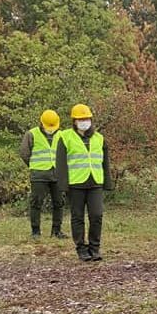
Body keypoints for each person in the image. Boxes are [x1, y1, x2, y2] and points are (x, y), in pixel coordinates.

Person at [56, 103, 112, 262]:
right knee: (77, 217)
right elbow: (61, 163)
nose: (84, 121)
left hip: (95, 181)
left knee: (96, 215)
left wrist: (107, 182)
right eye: (80, 119)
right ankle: (81, 248)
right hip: (76, 183)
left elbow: (105, 162)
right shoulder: (64, 137)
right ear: (74, 121)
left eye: (86, 118)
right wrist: (63, 185)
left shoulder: (99, 138)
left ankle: (95, 248)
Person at [19, 109, 67, 239]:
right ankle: (35, 232)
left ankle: (56, 231)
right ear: (41, 122)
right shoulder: (31, 134)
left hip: (57, 174)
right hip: (39, 175)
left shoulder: (62, 135)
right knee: (36, 202)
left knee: (59, 202)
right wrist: (34, 166)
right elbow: (24, 153)